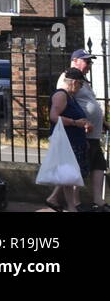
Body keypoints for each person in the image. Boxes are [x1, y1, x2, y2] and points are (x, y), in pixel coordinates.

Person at [58, 50, 106, 211]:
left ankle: (98, 201)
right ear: (76, 60)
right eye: (87, 62)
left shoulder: (83, 80)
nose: (90, 66)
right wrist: (78, 123)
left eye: (91, 62)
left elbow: (90, 101)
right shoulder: (68, 78)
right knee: (79, 168)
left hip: (94, 132)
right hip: (81, 132)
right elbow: (65, 102)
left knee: (98, 164)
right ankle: (75, 204)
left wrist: (102, 121)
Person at [48, 68, 91, 212]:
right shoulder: (61, 95)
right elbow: (54, 117)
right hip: (66, 142)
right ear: (73, 82)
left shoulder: (71, 97)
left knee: (70, 177)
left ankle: (69, 206)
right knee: (68, 176)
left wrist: (84, 125)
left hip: (75, 141)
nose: (81, 87)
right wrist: (75, 122)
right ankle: (72, 207)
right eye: (80, 84)